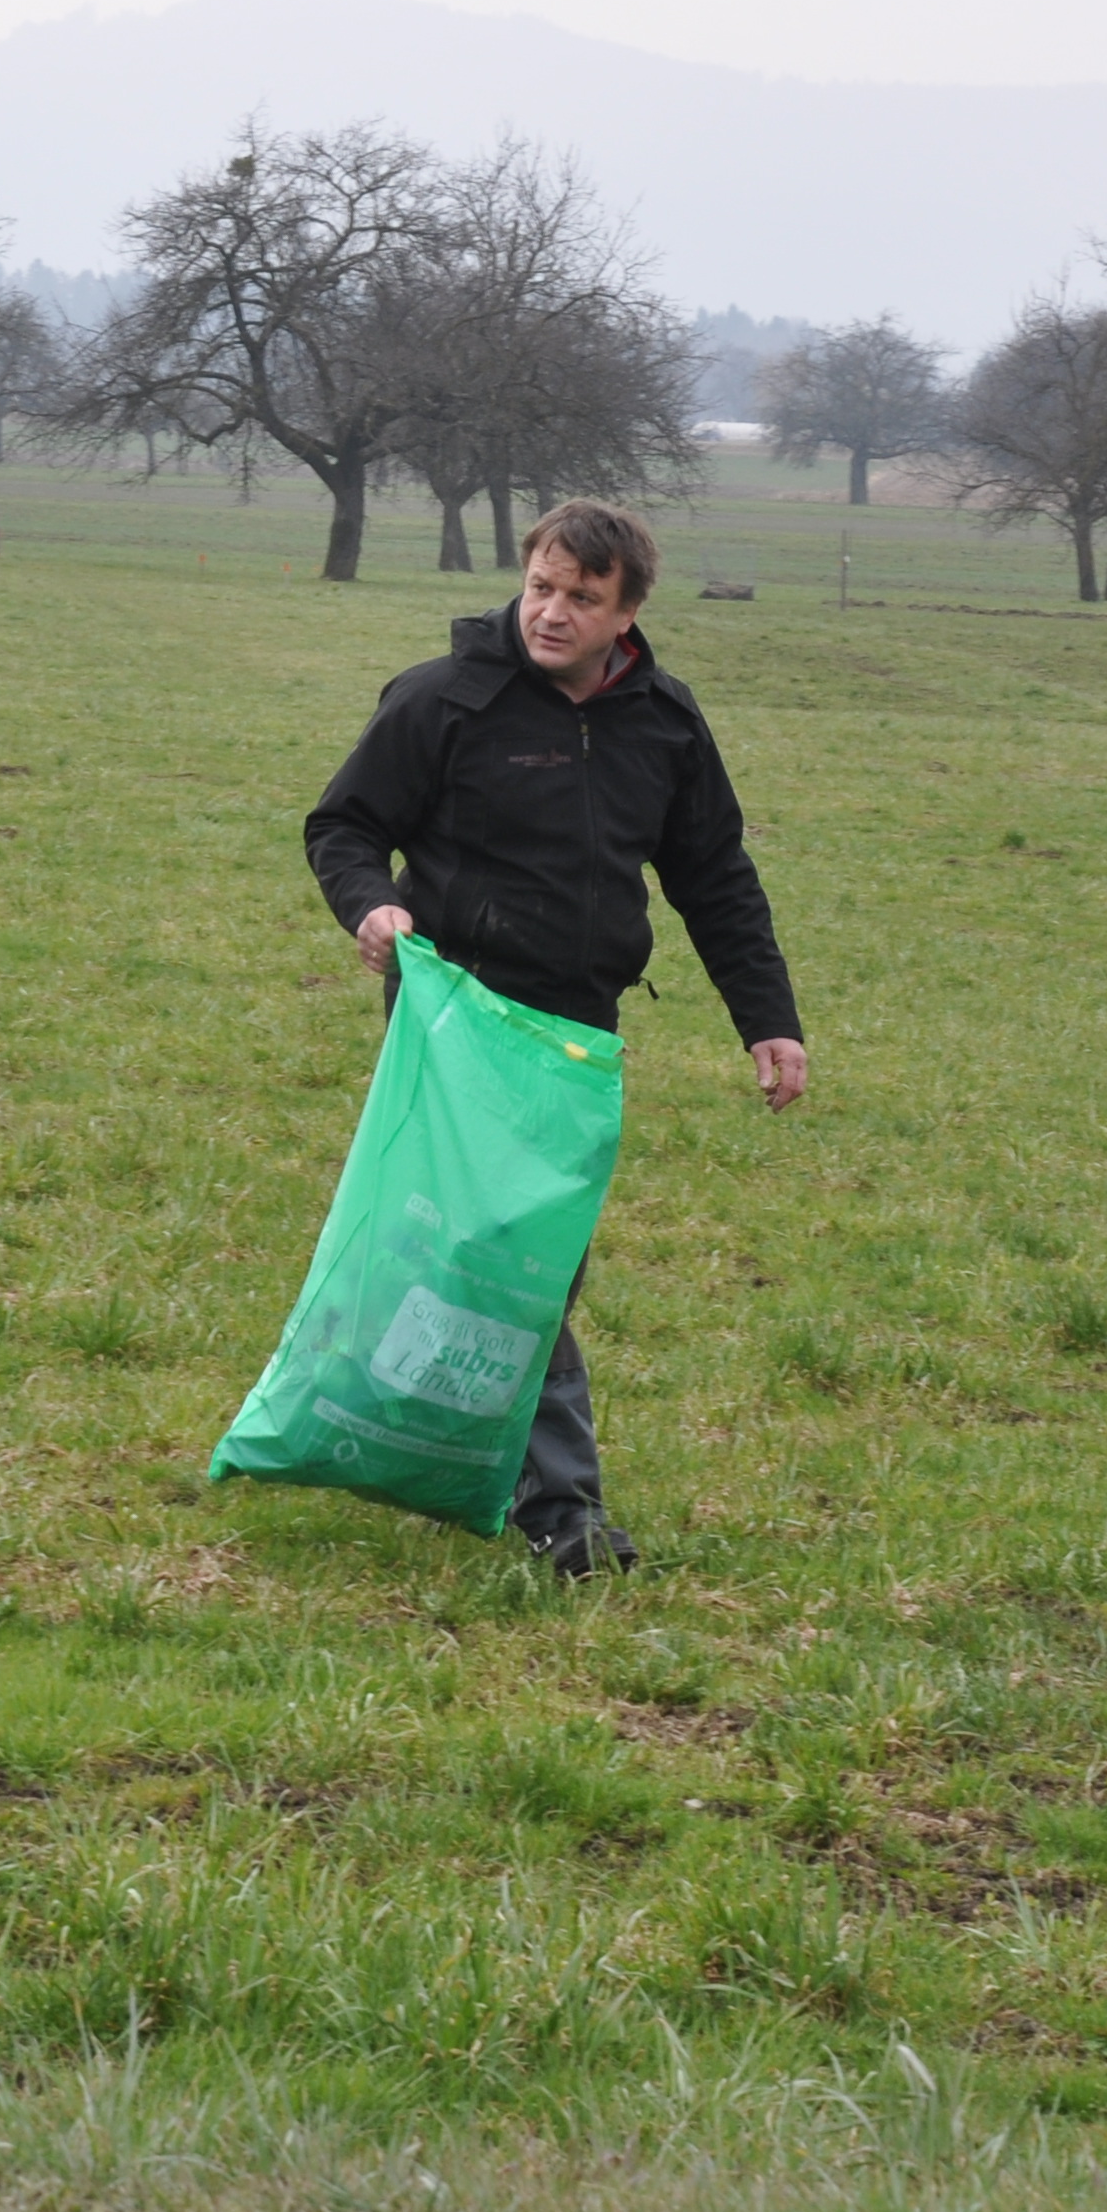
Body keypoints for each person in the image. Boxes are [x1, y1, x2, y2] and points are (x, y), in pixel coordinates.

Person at [302, 499, 808, 1574]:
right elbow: (345, 823)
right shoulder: (444, 699)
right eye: (541, 586)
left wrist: (767, 1019)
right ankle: (560, 1507)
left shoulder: (664, 723)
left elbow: (714, 876)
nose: (551, 612)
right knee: (512, 1254)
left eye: (582, 597)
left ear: (626, 615)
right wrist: (370, 906)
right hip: (456, 1013)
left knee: (515, 1256)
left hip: (579, 1031)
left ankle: (402, 1420)